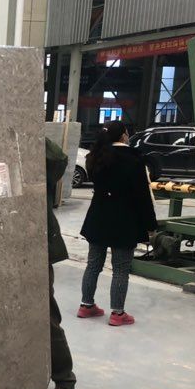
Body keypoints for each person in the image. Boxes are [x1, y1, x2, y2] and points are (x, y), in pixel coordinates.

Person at [78, 121, 157, 326]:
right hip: (124, 220)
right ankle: (117, 313)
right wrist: (150, 224)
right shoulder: (134, 160)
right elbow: (142, 196)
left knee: (93, 264)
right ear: (123, 135)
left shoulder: (94, 158)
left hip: (98, 217)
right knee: (120, 269)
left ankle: (86, 305)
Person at [45, 138, 76, 389]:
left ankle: (65, 378)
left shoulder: (36, 156)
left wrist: (29, 130)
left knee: (46, 316)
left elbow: (58, 159)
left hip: (34, 249)